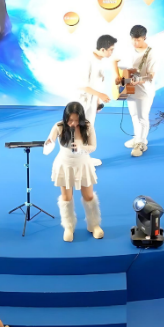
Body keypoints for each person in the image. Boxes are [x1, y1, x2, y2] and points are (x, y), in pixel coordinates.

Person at [44, 102, 103, 242]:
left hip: (83, 164)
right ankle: (68, 227)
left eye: (76, 120)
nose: (73, 123)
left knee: (89, 196)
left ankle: (94, 225)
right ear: (65, 117)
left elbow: (93, 146)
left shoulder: (87, 126)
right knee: (66, 197)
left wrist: (82, 146)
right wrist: (49, 142)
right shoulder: (59, 126)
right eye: (70, 120)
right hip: (65, 165)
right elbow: (50, 140)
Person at [118, 24, 157, 157]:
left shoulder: (151, 53)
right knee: (134, 115)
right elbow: (123, 67)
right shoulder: (129, 50)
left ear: (145, 38)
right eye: (133, 39)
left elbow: (151, 74)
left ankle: (142, 142)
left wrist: (139, 80)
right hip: (130, 89)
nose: (135, 42)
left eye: (138, 40)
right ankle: (137, 138)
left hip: (145, 90)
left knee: (142, 117)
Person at [75, 35, 117, 128]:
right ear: (102, 49)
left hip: (93, 100)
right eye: (111, 50)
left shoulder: (100, 61)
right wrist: (100, 95)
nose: (112, 52)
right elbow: (82, 86)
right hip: (82, 100)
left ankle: (86, 142)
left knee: (89, 127)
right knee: (78, 127)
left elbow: (98, 84)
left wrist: (97, 102)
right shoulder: (87, 60)